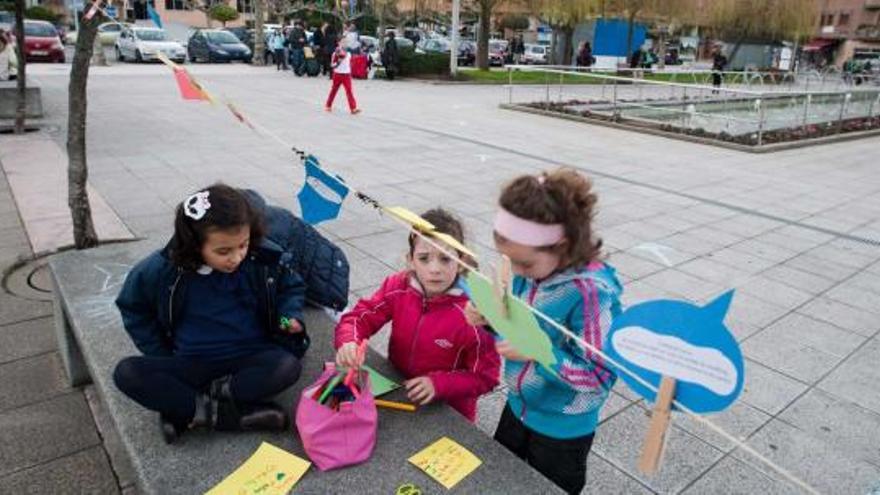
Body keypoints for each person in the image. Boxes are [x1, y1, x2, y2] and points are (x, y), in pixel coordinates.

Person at [465, 169, 623, 495]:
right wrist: (490, 317)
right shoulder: (531, 270)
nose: (516, 272)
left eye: (524, 264)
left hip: (563, 426)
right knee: (501, 479)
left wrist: (540, 353)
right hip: (519, 404)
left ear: (561, 246)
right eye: (509, 261)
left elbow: (599, 375)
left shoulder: (590, 293)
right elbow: (521, 323)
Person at [113, 184, 310, 444]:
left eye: (243, 244)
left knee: (287, 366)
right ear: (195, 245)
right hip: (191, 362)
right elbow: (133, 307)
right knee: (126, 373)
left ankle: (190, 409)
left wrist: (289, 317)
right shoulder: (163, 268)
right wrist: (160, 353)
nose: (236, 257)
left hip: (250, 356)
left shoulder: (261, 259)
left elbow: (290, 287)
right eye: (223, 251)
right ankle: (233, 415)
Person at [335, 208, 500, 422]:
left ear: (461, 261)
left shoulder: (475, 314)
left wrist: (438, 384)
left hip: (449, 410)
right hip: (400, 387)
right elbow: (359, 317)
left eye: (445, 259)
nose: (434, 269)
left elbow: (486, 377)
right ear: (411, 259)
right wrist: (349, 341)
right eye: (424, 258)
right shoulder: (398, 286)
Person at [325, 41, 360, 114]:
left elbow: (350, 63)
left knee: (349, 91)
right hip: (337, 74)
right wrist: (338, 62)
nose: (344, 43)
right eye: (343, 42)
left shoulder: (349, 54)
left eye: (346, 42)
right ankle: (328, 105)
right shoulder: (335, 53)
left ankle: (353, 108)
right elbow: (332, 65)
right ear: (339, 43)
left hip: (347, 75)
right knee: (334, 90)